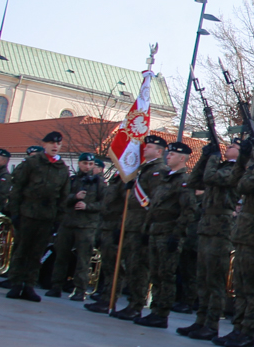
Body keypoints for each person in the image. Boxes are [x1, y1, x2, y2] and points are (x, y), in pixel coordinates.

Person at [180, 137, 246, 339]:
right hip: (207, 224)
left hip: (221, 226)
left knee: (215, 278)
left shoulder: (237, 169)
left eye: (234, 147)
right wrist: (205, 156)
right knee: (203, 276)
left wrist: (213, 159)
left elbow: (211, 178)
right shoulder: (220, 166)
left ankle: (211, 324)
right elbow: (194, 181)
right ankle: (200, 320)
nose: (228, 148)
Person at [217, 134, 254, 347]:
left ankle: (248, 332)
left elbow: (246, 185)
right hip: (245, 236)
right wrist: (243, 158)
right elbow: (235, 181)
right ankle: (239, 327)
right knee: (241, 285)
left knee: (253, 288)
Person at [4, 131, 71, 301]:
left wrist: (58, 220)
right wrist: (15, 212)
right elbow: (18, 188)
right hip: (28, 212)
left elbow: (63, 196)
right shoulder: (32, 163)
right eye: (51, 143)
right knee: (21, 250)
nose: (55, 146)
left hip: (47, 217)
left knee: (37, 253)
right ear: (45, 145)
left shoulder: (62, 168)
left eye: (58, 144)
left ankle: (29, 285)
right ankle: (16, 283)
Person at [136, 141, 194, 327]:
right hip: (156, 231)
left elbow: (188, 210)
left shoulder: (183, 181)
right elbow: (153, 207)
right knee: (155, 273)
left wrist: (177, 235)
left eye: (172, 155)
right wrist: (147, 229)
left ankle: (162, 313)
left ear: (182, 158)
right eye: (168, 154)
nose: (168, 156)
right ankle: (155, 309)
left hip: (169, 232)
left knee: (166, 275)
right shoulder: (165, 179)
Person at [112, 135, 166, 319]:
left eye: (149, 146)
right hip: (131, 224)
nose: (145, 149)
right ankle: (130, 302)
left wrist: (147, 227)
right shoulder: (142, 169)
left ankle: (136, 305)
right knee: (130, 264)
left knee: (139, 267)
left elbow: (154, 201)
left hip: (142, 225)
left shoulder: (158, 171)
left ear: (159, 151)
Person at [48, 153, 103, 298]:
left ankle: (80, 289)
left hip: (87, 226)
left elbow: (104, 204)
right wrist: (75, 197)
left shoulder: (99, 183)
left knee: (83, 259)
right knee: (61, 256)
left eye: (91, 164)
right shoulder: (72, 180)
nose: (88, 167)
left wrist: (87, 206)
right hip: (68, 223)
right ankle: (56, 286)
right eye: (85, 163)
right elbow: (61, 198)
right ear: (79, 164)